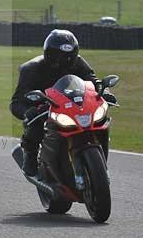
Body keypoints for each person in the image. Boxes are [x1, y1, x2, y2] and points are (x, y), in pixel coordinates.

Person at [9, 29, 100, 177]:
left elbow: (92, 81)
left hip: (69, 105)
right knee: (34, 122)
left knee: (98, 117)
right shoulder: (31, 69)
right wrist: (28, 112)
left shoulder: (78, 62)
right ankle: (30, 155)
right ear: (48, 54)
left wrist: (104, 92)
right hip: (42, 107)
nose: (63, 61)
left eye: (68, 57)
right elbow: (16, 102)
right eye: (58, 56)